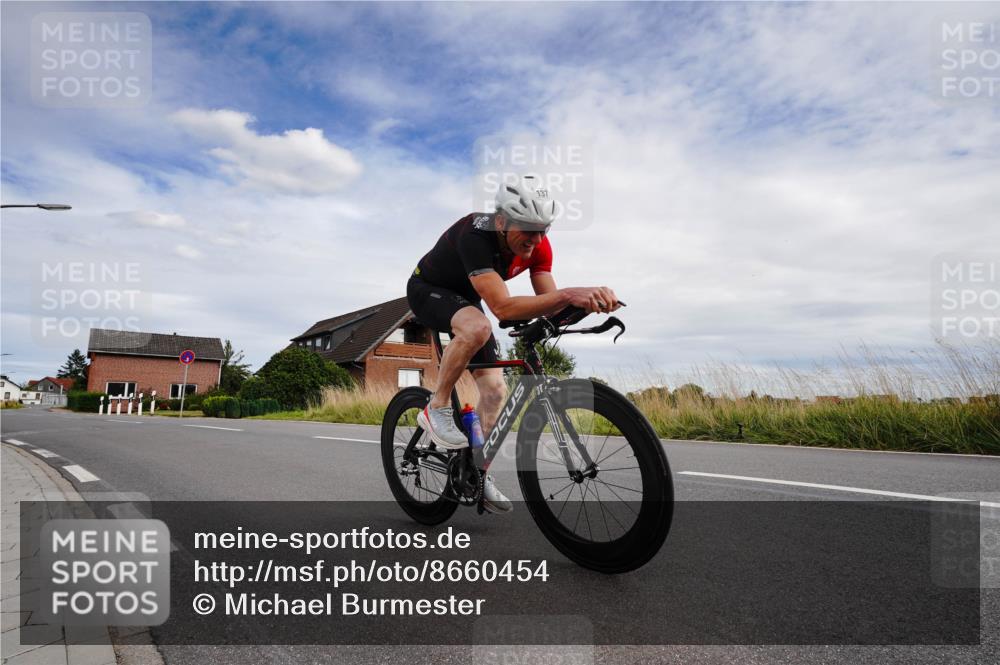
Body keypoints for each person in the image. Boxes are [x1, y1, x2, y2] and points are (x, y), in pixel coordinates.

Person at [406, 175, 620, 513]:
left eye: (544, 230)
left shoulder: (538, 246)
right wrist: (569, 294)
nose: (536, 240)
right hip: (428, 289)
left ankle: (476, 470)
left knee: (494, 392)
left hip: (470, 298)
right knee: (478, 325)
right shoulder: (475, 234)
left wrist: (583, 303)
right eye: (529, 230)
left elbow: (548, 300)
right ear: (502, 221)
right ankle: (436, 407)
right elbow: (503, 308)